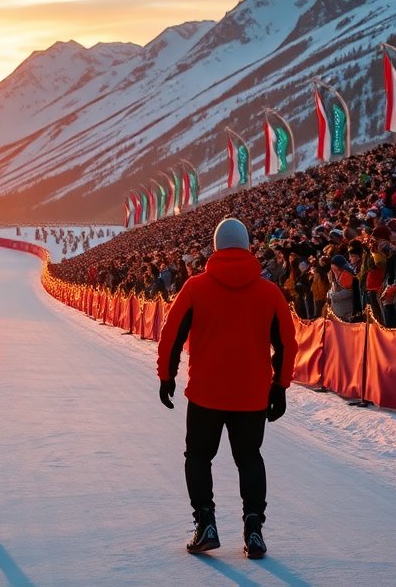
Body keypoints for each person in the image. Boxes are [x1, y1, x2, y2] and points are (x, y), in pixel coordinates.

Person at [157, 218, 296, 560]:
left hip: (206, 391)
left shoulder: (195, 287)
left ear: (217, 247)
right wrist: (280, 386)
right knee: (249, 457)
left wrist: (167, 376)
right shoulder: (269, 291)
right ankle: (253, 528)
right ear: (248, 246)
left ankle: (205, 522)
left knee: (198, 456)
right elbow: (288, 343)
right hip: (251, 394)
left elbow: (170, 335)